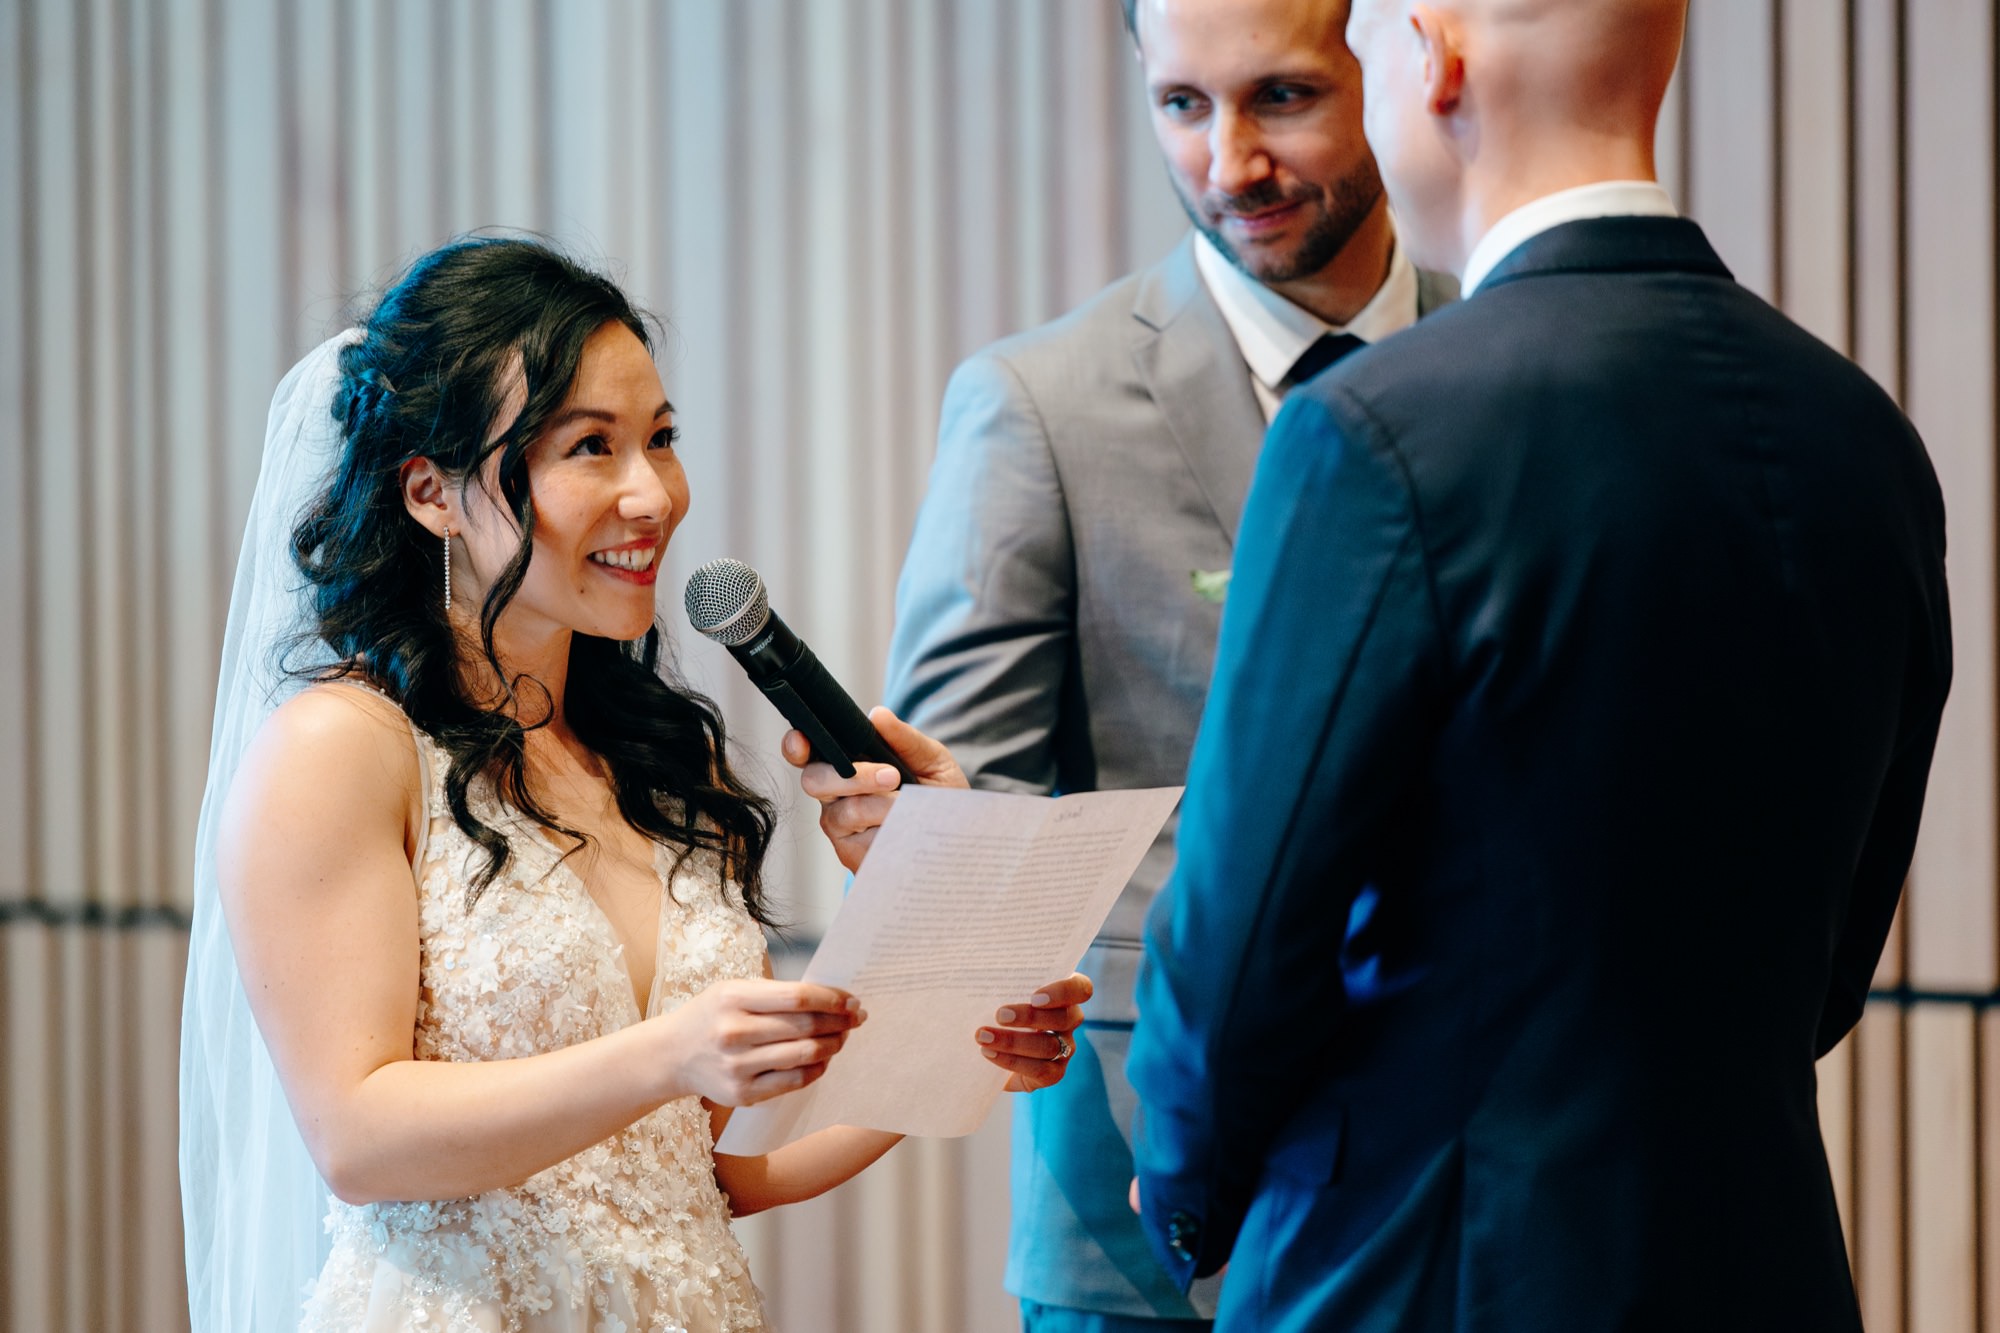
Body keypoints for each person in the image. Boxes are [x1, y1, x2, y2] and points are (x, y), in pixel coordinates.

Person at [1118, 0, 1953, 1326]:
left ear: (1431, 53)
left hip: (1430, 1264)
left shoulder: (1376, 432)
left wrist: (1184, 1190)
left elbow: (1243, 923)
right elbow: (1840, 947)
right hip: (1763, 1262)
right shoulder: (1862, 434)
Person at [176, 237, 1089, 1333]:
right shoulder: (339, 748)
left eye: (659, 439)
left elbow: (714, 1169)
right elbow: (358, 1136)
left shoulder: (659, 760)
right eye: (588, 448)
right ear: (431, 491)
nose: (650, 494)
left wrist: (962, 1025)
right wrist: (667, 1050)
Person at [792, 1, 1451, 1326]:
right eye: (1182, 106)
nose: (1229, 164)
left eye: (1281, 99)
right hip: (1149, 1227)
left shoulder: (1507, 353)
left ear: (1388, 63)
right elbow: (965, 812)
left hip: (1467, 1181)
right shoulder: (1040, 404)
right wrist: (919, 833)